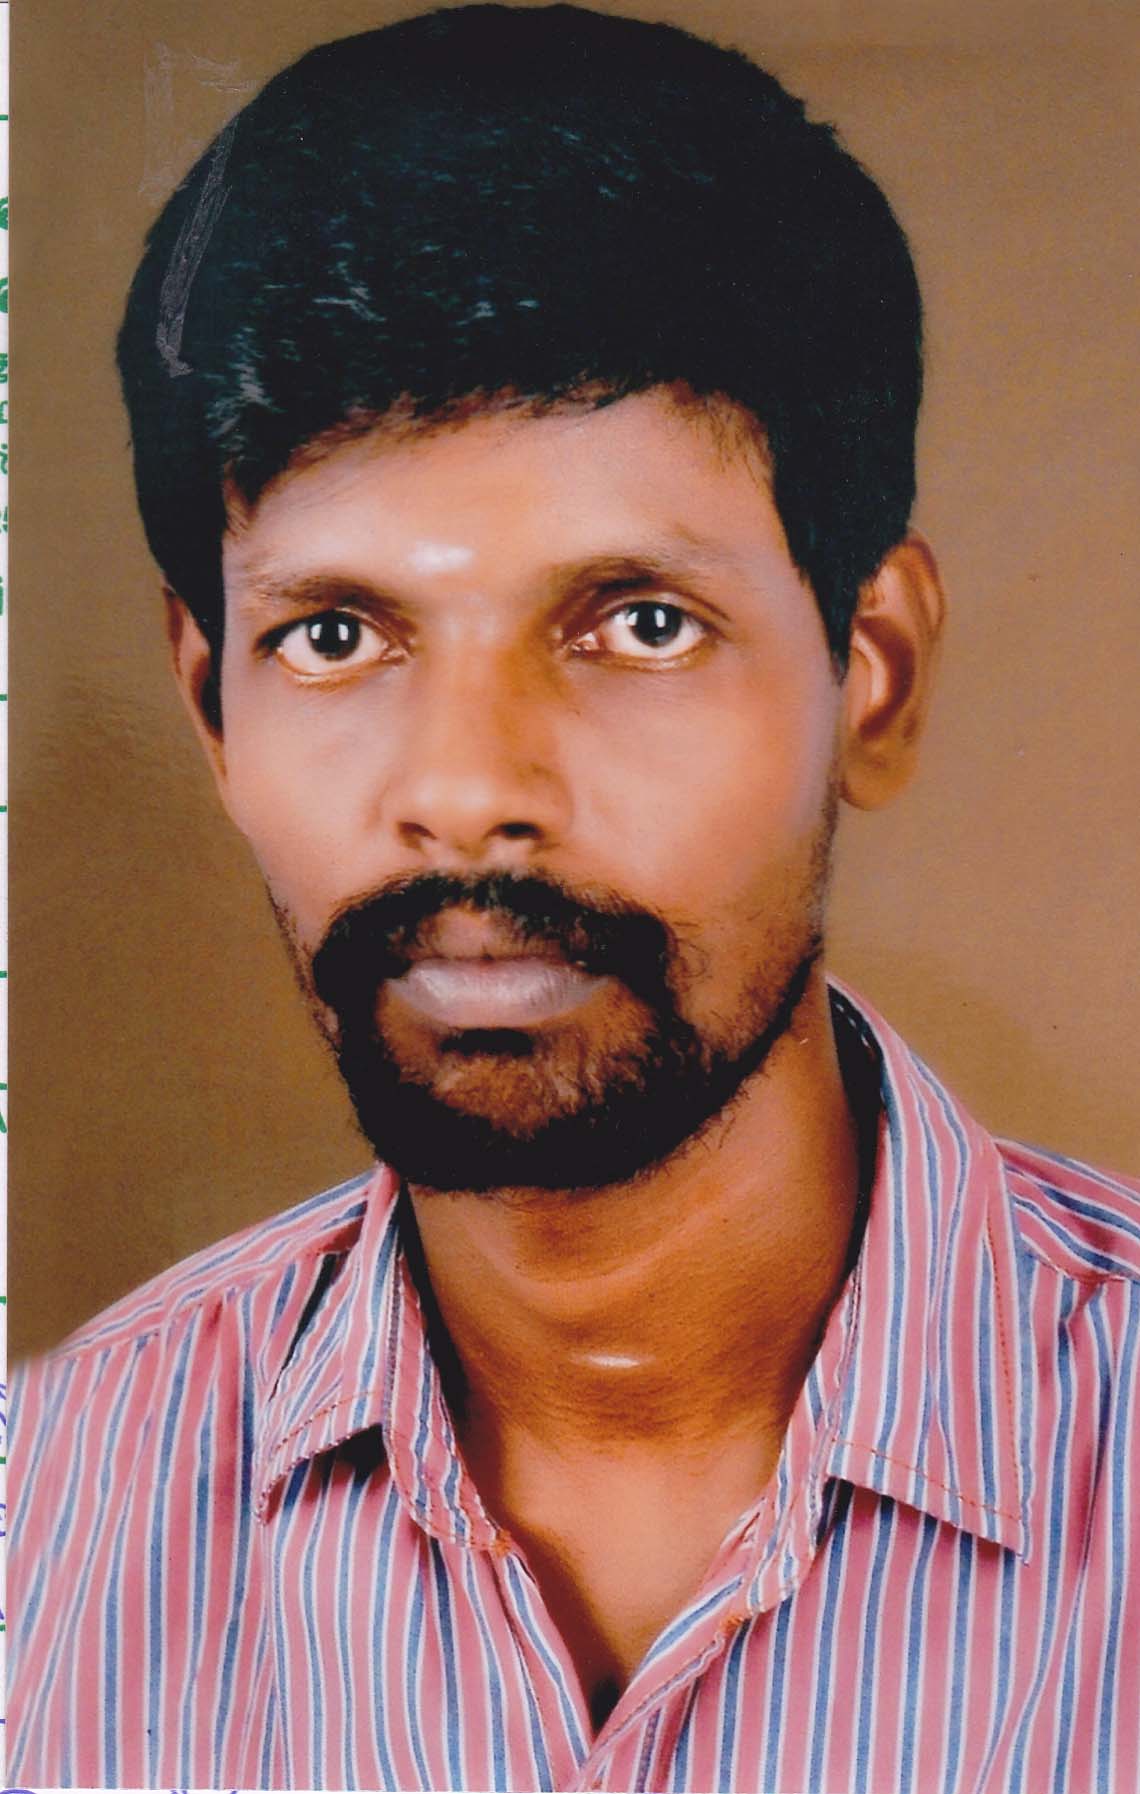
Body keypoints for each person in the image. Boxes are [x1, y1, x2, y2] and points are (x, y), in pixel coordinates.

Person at [9, 7, 1138, 1789]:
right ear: (211, 706)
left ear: (874, 673)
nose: (468, 788)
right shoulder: (39, 1522)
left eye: (638, 623)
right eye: (334, 635)